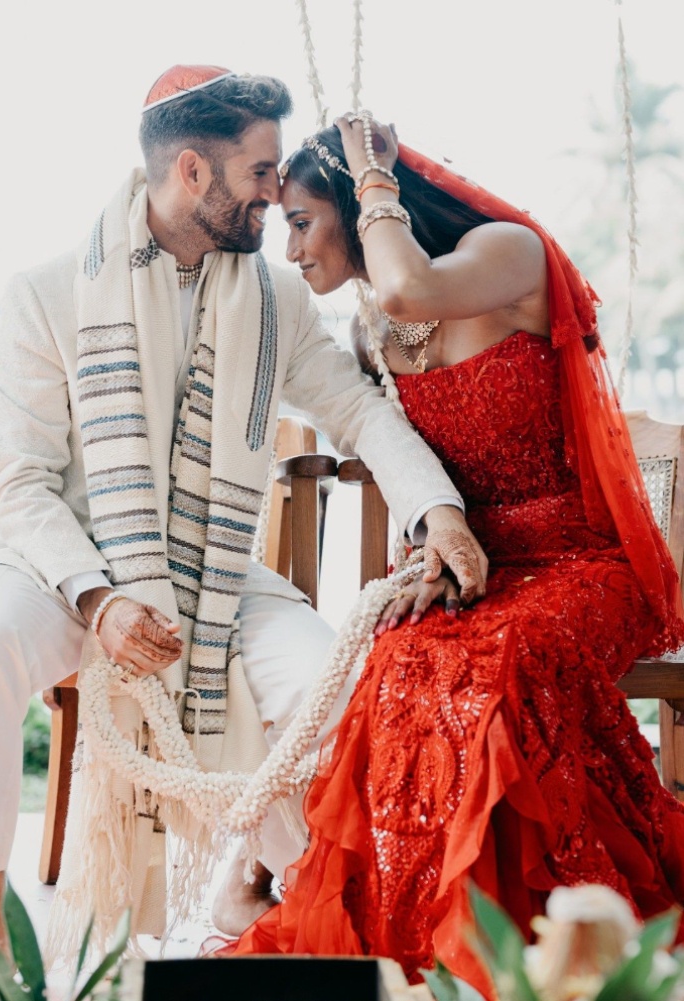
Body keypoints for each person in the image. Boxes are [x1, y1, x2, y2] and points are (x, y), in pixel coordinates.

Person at [0, 67, 489, 986]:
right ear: (193, 171)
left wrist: (441, 510)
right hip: (63, 564)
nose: (279, 194)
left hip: (217, 567)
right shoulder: (44, 295)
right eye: (263, 172)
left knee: (326, 675)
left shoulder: (275, 301)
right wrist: (100, 596)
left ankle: (311, 904)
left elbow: (359, 414)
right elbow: (25, 484)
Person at [222, 115, 684, 996]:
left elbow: (407, 290)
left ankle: (531, 935)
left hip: (585, 565)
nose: (291, 246)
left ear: (362, 209)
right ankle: (421, 932)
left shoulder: (507, 255)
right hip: (486, 572)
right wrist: (425, 548)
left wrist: (370, 171)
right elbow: (432, 476)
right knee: (398, 659)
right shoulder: (370, 337)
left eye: (302, 220)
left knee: (504, 668)